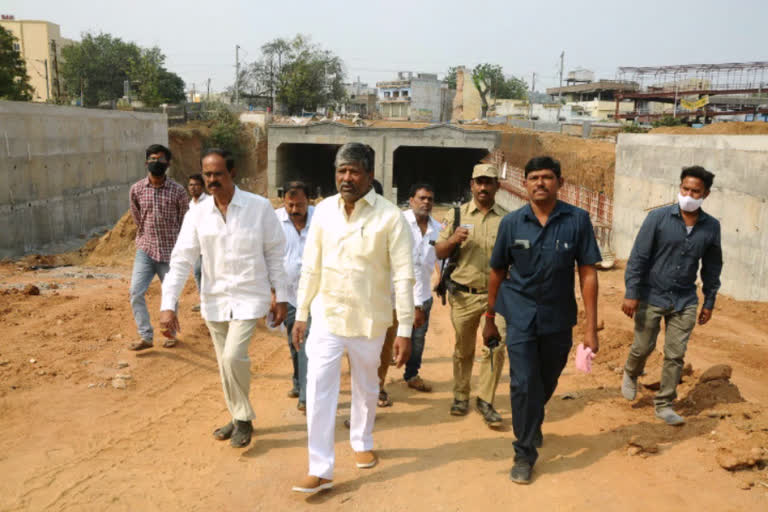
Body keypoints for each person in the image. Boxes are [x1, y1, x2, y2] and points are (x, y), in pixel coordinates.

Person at [291, 143, 414, 494]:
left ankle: (361, 440)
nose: (346, 177)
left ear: (370, 175)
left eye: (354, 171)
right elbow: (310, 266)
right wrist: (302, 314)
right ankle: (320, 467)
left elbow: (404, 276)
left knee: (366, 385)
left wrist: (404, 329)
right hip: (327, 317)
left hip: (369, 321)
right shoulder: (324, 211)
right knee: (317, 387)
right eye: (341, 170)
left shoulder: (390, 217)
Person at [158, 148, 288, 449]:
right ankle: (238, 415)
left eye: (217, 174)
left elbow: (276, 255)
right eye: (207, 174)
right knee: (223, 362)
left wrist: (280, 296)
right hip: (214, 298)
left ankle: (243, 418)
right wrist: (168, 304)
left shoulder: (258, 208)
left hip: (250, 295)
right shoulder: (198, 213)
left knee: (233, 356)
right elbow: (180, 259)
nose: (211, 180)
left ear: (232, 174)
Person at [486, 156, 601, 484]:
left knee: (545, 382)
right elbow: (496, 271)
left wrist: (590, 327)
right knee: (522, 383)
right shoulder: (511, 223)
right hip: (520, 316)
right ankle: (524, 453)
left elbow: (588, 273)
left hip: (558, 318)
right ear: (524, 184)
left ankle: (532, 420)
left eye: (547, 177)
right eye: (534, 177)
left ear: (560, 183)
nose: (540, 183)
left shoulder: (577, 220)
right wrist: (489, 316)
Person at [621, 166, 722, 426]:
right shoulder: (657, 218)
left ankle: (665, 403)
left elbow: (712, 267)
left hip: (685, 300)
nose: (688, 194)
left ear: (706, 194)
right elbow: (638, 258)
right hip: (651, 294)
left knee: (675, 354)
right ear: (680, 188)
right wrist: (632, 292)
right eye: (685, 189)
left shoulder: (711, 227)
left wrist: (709, 301)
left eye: (695, 191)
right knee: (643, 346)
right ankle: (631, 373)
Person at [434, 163, 509, 428]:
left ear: (497, 186)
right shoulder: (456, 215)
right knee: (463, 349)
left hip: (497, 296)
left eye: (489, 182)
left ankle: (486, 400)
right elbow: (439, 252)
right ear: (472, 185)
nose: (484, 187)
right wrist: (453, 239)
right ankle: (461, 394)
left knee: (496, 347)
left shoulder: (508, 219)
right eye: (479, 182)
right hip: (463, 296)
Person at [128, 144, 188, 351]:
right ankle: (145, 336)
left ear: (168, 164)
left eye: (161, 159)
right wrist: (146, 237)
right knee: (136, 292)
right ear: (146, 162)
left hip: (171, 252)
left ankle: (170, 333)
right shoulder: (136, 189)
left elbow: (184, 221)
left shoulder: (178, 191)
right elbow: (137, 218)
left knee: (170, 294)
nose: (156, 162)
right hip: (145, 250)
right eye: (153, 158)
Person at [275, 181, 315, 412]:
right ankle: (299, 382)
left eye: (298, 204)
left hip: (313, 295)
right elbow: (269, 255)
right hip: (288, 294)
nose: (293, 210)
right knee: (294, 342)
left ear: (308, 201)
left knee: (306, 341)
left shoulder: (320, 220)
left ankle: (306, 396)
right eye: (289, 205)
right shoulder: (276, 220)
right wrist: (274, 293)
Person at [402, 183, 443, 392]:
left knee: (418, 339)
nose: (426, 202)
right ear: (411, 200)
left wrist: (441, 276)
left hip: (423, 293)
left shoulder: (438, 228)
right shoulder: (399, 222)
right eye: (422, 198)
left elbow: (441, 256)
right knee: (387, 338)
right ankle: (376, 383)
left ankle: (411, 374)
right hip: (397, 294)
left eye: (430, 199)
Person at [187, 173, 209, 312]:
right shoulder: (190, 204)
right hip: (196, 245)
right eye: (190, 185)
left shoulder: (209, 201)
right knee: (197, 272)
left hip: (208, 245)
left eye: (196, 185)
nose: (193, 188)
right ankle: (204, 302)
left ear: (202, 187)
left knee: (209, 274)